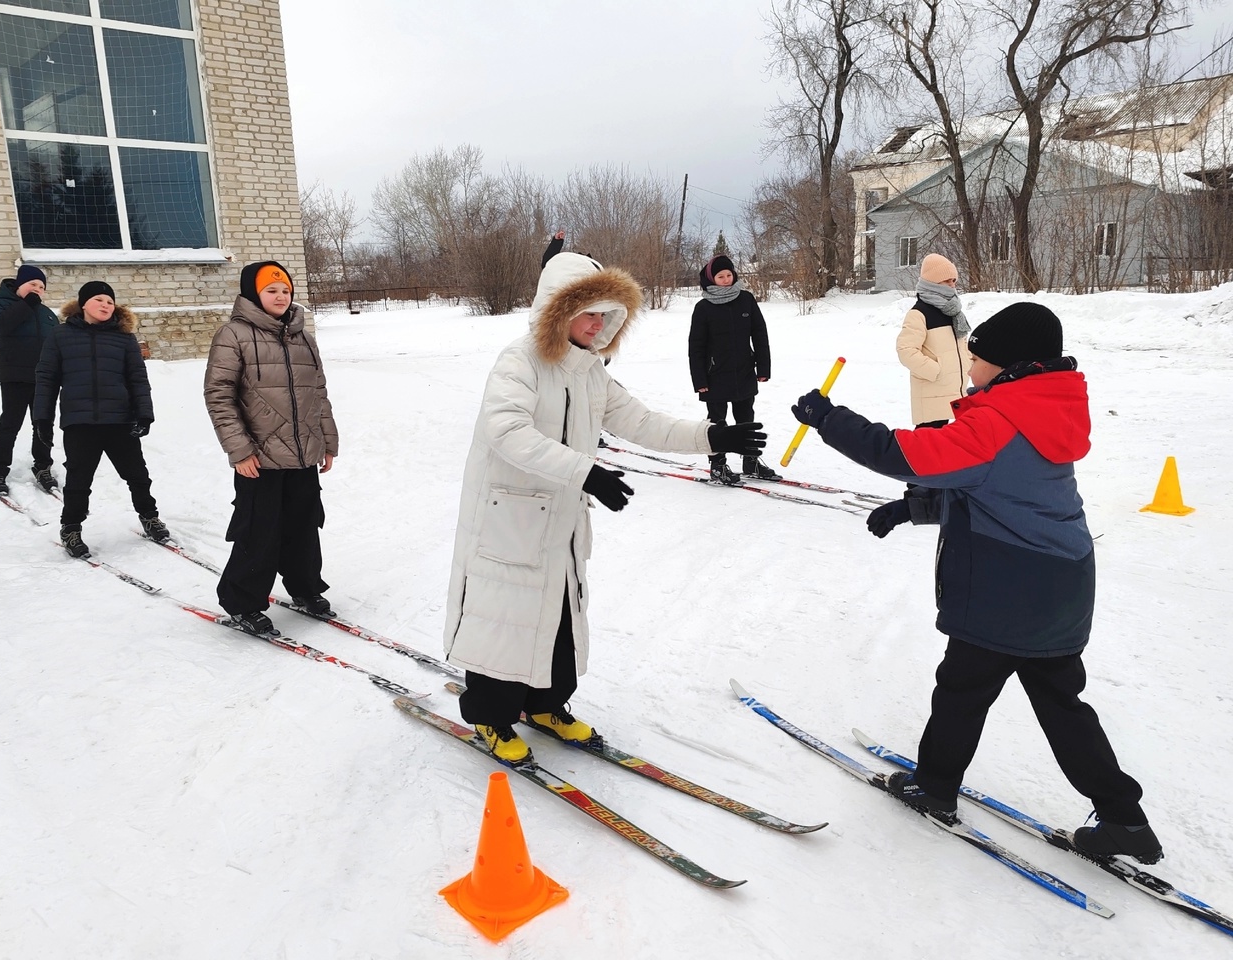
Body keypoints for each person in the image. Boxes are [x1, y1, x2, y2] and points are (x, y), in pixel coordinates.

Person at [790, 301, 1162, 864]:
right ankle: (1124, 821)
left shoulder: (996, 420)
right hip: (1060, 586)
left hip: (1006, 591)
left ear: (1008, 365)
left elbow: (906, 454)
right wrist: (907, 511)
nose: (968, 367)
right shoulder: (1046, 411)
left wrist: (829, 419)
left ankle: (935, 788)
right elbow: (993, 490)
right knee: (1063, 706)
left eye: (977, 357)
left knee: (962, 692)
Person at [445, 251, 766, 762]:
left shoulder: (590, 371)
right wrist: (586, 471)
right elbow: (505, 432)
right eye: (589, 313)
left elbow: (642, 422)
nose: (598, 325)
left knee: (561, 616)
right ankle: (490, 716)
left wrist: (713, 435)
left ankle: (547, 705)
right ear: (557, 310)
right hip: (511, 516)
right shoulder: (519, 360)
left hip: (563, 518)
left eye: (605, 316)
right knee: (503, 617)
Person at [203, 261, 339, 636]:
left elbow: (318, 394)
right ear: (253, 294)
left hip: (303, 453)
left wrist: (327, 441)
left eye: (285, 290)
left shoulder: (303, 337)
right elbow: (219, 396)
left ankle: (306, 588)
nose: (281, 297)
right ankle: (242, 601)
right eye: (271, 290)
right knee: (258, 531)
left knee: (304, 526)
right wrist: (240, 450)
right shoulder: (233, 335)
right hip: (259, 457)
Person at [33, 281, 169, 559]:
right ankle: (71, 528)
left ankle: (150, 517)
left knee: (138, 476)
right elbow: (46, 379)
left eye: (110, 301)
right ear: (83, 304)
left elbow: (138, 380)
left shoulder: (124, 338)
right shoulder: (60, 336)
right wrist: (42, 419)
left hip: (120, 420)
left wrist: (144, 413)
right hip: (80, 422)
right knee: (78, 480)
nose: (106, 305)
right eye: (99, 300)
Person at [688, 254, 779, 485]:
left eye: (729, 275)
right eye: (721, 276)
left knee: (747, 419)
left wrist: (763, 366)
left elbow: (760, 334)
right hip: (714, 375)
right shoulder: (703, 307)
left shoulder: (746, 299)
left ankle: (751, 460)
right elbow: (695, 346)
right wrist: (699, 379)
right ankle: (717, 465)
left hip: (744, 371)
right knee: (717, 422)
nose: (727, 279)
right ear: (711, 278)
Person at [0, 264, 60, 494]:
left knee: (43, 425)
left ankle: (42, 467)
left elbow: (57, 344)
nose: (37, 289)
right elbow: (1, 326)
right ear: (19, 285)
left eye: (41, 286)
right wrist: (26, 305)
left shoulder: (47, 313)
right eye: (32, 284)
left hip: (45, 379)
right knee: (10, 425)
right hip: (15, 377)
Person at [896, 253, 971, 428]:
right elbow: (905, 350)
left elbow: (961, 345)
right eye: (947, 281)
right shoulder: (919, 313)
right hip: (932, 391)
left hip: (955, 389)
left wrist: (968, 363)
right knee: (926, 443)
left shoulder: (952, 311)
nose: (952, 285)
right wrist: (935, 371)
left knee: (946, 444)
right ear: (932, 282)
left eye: (954, 280)